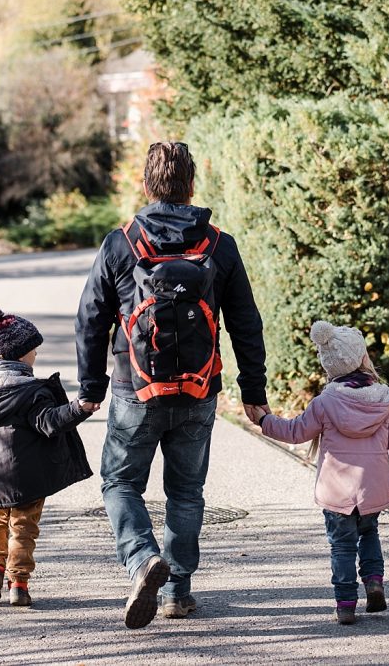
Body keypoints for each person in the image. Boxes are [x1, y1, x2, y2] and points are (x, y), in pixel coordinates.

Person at [75, 142, 269, 629]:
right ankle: (178, 591)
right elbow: (246, 322)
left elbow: (91, 319)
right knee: (186, 491)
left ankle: (142, 559)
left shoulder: (120, 243)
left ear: (146, 185)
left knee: (121, 482)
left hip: (133, 388)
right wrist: (254, 392)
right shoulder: (219, 245)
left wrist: (91, 386)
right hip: (200, 390)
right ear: (191, 185)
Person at [251, 320, 389, 625]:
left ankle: (345, 604)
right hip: (373, 489)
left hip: (337, 492)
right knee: (369, 534)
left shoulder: (325, 402)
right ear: (361, 358)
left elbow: (295, 432)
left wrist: (265, 421)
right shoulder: (386, 400)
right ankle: (373, 581)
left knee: (342, 546)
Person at [0, 307, 93, 607]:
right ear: (19, 355)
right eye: (34, 351)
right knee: (23, 527)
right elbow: (49, 422)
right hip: (26, 478)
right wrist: (78, 408)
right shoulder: (31, 391)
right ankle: (18, 583)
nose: (36, 356)